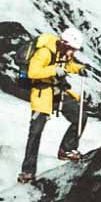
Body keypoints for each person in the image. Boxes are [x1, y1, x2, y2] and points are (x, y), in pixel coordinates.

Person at [17, 28, 88, 183]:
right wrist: (54, 70)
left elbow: (67, 66)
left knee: (80, 116)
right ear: (64, 44)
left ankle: (66, 149)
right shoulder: (45, 52)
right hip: (42, 93)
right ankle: (27, 172)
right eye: (72, 50)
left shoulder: (61, 52)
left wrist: (79, 68)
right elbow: (33, 72)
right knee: (35, 132)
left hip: (57, 91)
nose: (72, 53)